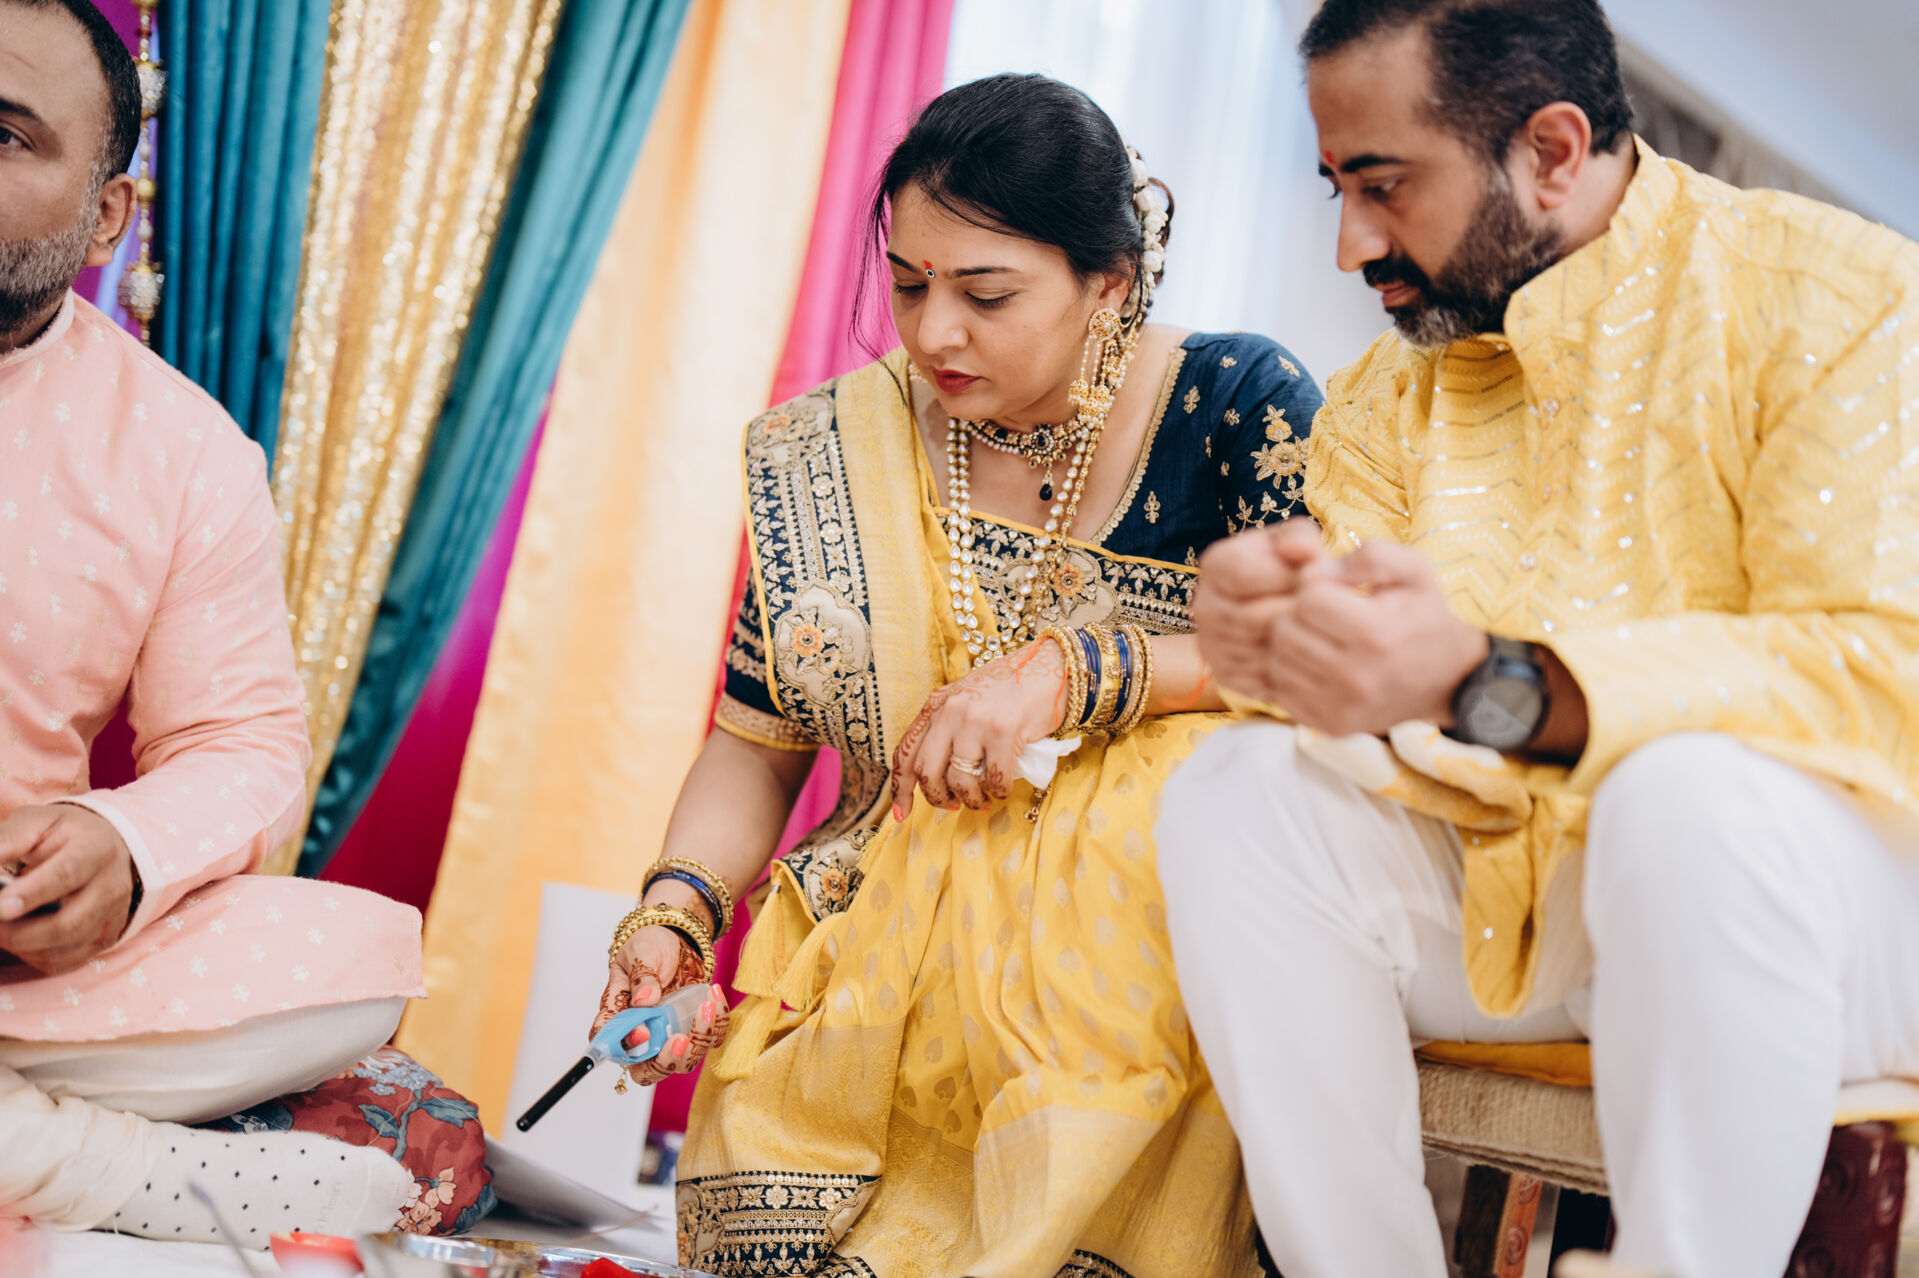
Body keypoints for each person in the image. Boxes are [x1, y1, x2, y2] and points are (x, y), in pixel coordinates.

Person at [1156, 1, 1919, 1276]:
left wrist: (1495, 682)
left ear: (1551, 152)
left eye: (1384, 186)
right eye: (1337, 189)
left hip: (1821, 907)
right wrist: (1282, 646)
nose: (1350, 246)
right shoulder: (1385, 393)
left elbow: (1876, 672)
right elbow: (1375, 708)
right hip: (1531, 902)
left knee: (1683, 798)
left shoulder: (1835, 296)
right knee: (1236, 792)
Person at [587, 74, 1324, 1278]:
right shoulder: (828, 453)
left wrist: (1077, 671)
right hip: (853, 990)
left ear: (1109, 282)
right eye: (907, 284)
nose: (933, 335)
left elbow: (1318, 659)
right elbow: (754, 747)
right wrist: (676, 913)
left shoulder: (1233, 410)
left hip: (1121, 991)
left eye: (986, 295)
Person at [0, 0, 423, 1248]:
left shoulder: (182, 454)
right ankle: (81, 1161)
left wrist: (121, 846)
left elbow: (241, 742)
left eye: (4, 135)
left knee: (350, 958)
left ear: (106, 215)